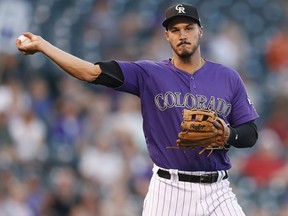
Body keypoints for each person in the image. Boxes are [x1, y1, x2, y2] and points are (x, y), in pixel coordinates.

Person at [16, 3, 259, 216]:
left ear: (200, 32)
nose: (182, 34)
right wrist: (43, 45)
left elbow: (250, 132)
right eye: (175, 30)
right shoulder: (149, 73)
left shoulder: (228, 78)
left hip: (217, 190)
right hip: (168, 191)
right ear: (167, 36)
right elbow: (90, 72)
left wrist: (229, 135)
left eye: (188, 28)